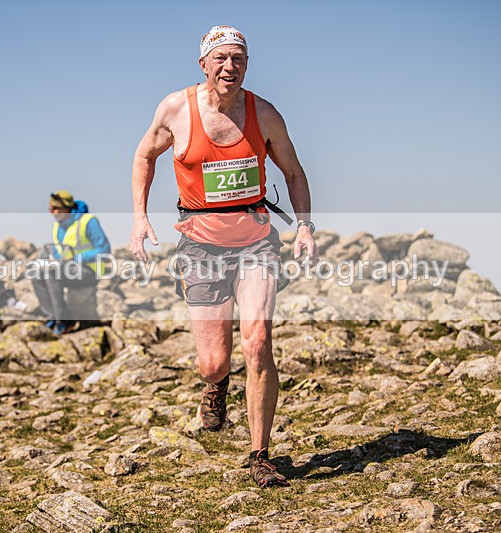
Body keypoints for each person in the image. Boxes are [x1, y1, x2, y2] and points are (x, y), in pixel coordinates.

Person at [130, 26, 318, 488]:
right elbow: (144, 156)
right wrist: (139, 217)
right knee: (214, 361)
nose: (229, 67)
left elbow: (293, 171)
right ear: (203, 65)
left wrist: (305, 225)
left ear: (246, 65)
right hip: (200, 245)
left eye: (238, 59)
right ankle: (215, 387)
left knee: (257, 343)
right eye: (220, 59)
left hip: (256, 241)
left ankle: (260, 455)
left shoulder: (265, 115)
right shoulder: (176, 109)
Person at [32, 190, 110, 335]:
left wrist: (76, 258)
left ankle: (63, 321)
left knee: (51, 274)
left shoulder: (88, 221)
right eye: (50, 209)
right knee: (36, 274)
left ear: (67, 208)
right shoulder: (58, 226)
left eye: (55, 208)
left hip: (89, 271)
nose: (52, 212)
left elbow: (104, 250)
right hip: (68, 268)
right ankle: (52, 318)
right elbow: (61, 251)